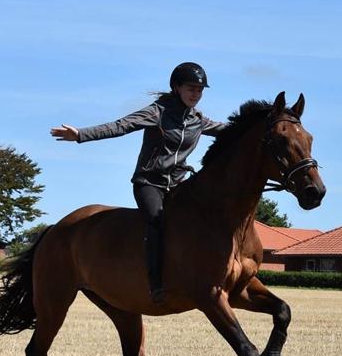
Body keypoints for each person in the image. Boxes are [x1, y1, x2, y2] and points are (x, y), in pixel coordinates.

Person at [51, 62, 226, 302]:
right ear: (176, 87)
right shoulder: (157, 112)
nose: (196, 94)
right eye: (191, 89)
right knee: (156, 221)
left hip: (178, 185)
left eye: (200, 90)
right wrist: (81, 135)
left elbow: (232, 130)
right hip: (149, 183)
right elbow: (120, 126)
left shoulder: (198, 120)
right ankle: (156, 283)